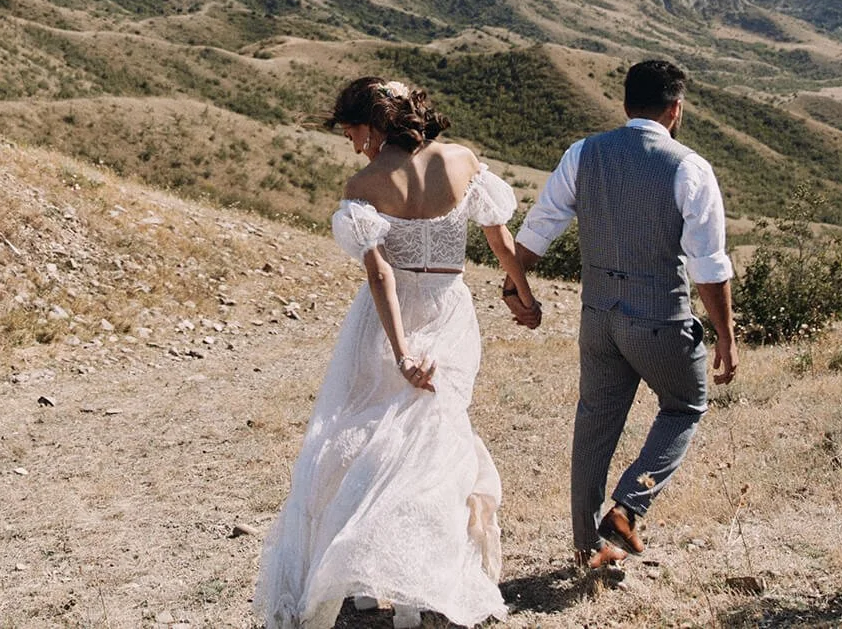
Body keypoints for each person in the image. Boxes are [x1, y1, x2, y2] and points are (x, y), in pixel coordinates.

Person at [256, 76, 538, 629]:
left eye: (353, 131)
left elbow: (381, 272)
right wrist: (523, 296)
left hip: (388, 321)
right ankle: (408, 581)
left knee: (361, 433)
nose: (352, 143)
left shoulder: (365, 182)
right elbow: (501, 242)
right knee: (430, 439)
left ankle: (362, 577)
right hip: (449, 309)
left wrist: (403, 351)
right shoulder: (463, 161)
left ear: (374, 123)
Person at [507, 58, 738, 573]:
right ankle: (628, 508)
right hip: (660, 319)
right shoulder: (689, 167)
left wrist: (516, 285)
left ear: (626, 103)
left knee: (594, 427)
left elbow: (541, 224)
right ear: (675, 109)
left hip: (598, 318)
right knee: (684, 405)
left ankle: (586, 549)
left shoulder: (583, 154)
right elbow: (708, 265)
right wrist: (724, 333)